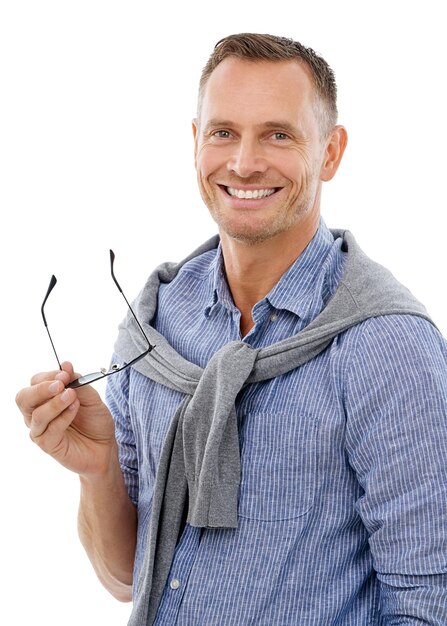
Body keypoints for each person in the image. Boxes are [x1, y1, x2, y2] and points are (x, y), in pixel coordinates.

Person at [16, 33, 447, 625]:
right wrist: (99, 470)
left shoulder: (386, 345)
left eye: (278, 134)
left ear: (330, 151)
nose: (243, 163)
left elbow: (429, 604)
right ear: (196, 142)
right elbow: (125, 578)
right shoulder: (155, 324)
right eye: (223, 132)